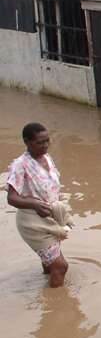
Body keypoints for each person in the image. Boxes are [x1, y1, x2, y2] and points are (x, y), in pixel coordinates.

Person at [4, 123, 71, 288]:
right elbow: (11, 198)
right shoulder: (21, 165)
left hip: (50, 217)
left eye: (47, 141)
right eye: (40, 143)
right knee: (60, 266)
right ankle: (56, 306)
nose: (45, 145)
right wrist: (34, 204)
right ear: (27, 142)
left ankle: (47, 282)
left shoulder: (47, 158)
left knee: (50, 264)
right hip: (33, 223)